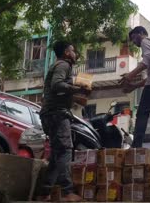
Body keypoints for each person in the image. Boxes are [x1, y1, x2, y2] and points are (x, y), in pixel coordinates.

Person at [37, 41, 88, 202]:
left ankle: (44, 193)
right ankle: (67, 192)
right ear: (66, 52)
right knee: (65, 149)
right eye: (73, 50)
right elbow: (57, 85)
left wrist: (76, 95)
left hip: (50, 114)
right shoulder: (63, 65)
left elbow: (58, 90)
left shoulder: (60, 66)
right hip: (57, 115)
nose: (75, 53)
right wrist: (77, 88)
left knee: (56, 152)